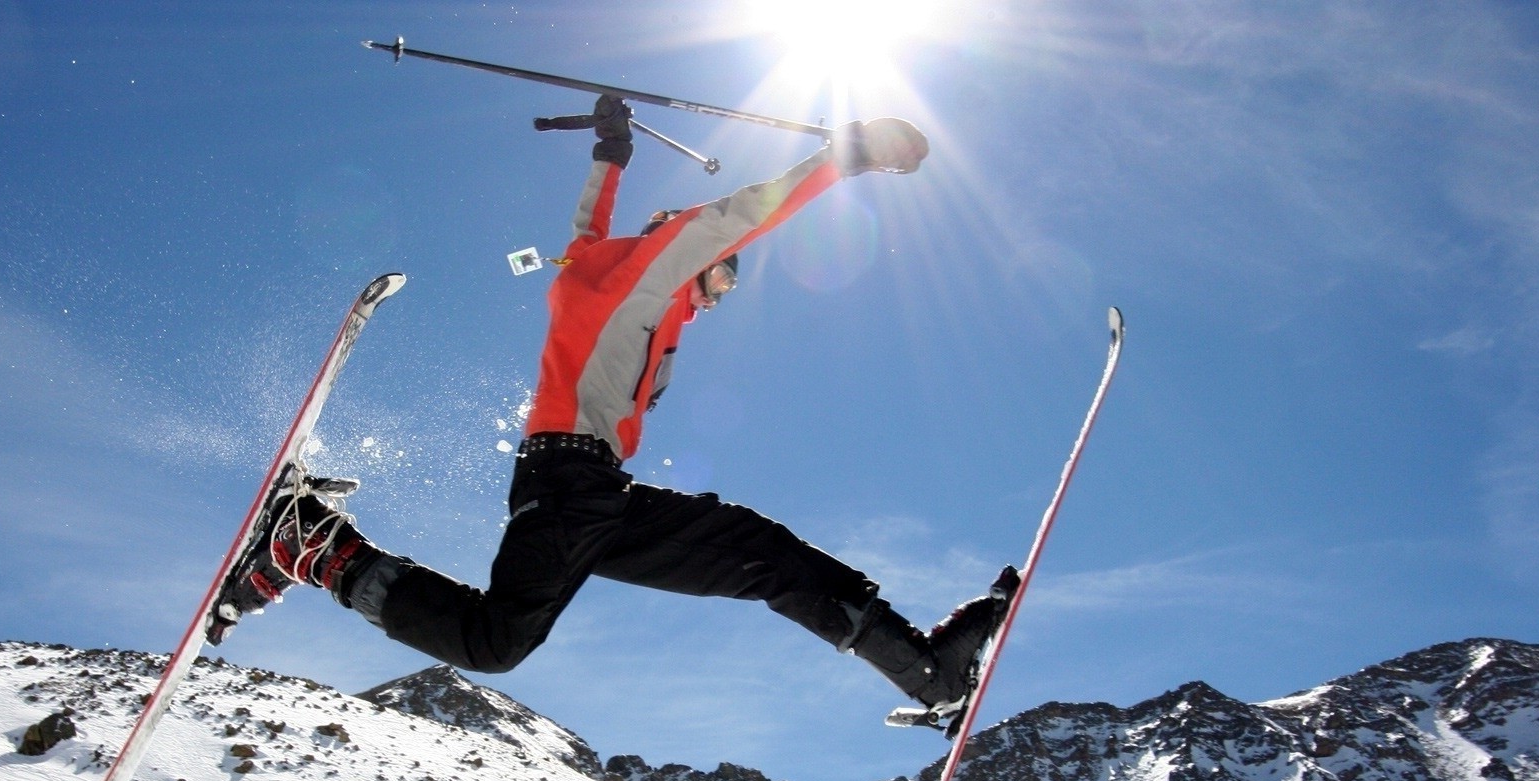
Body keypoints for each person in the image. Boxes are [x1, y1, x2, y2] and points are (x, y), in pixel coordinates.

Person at [210, 96, 1016, 715]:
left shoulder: (598, 267)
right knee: (496, 643)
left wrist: (611, 150)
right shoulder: (656, 268)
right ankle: (314, 545)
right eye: (723, 275)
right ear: (680, 243)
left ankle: (925, 669)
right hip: (570, 484)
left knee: (760, 552)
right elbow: (745, 213)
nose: (720, 292)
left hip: (594, 494)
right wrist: (853, 154)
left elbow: (587, 222)